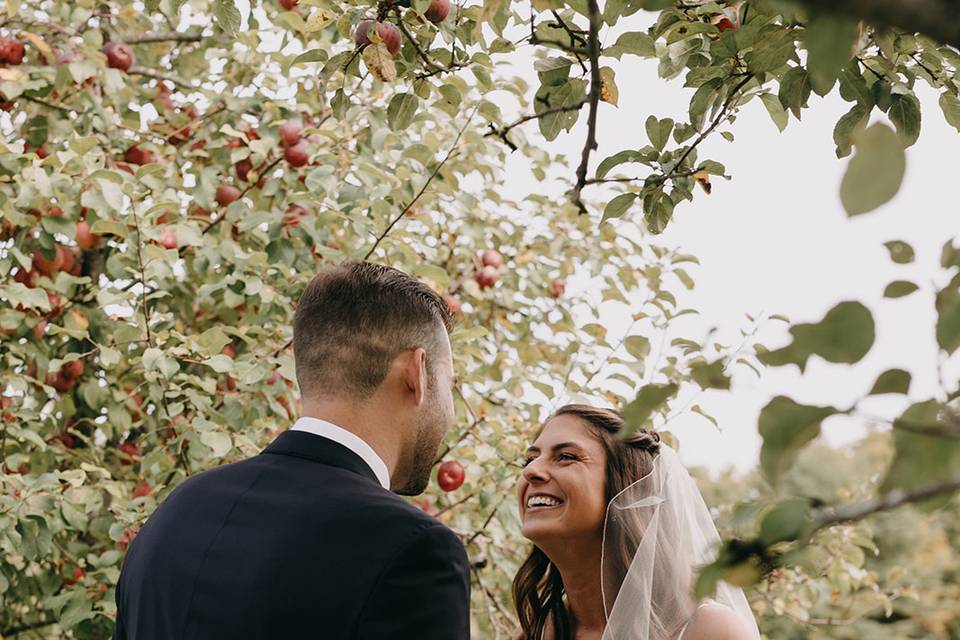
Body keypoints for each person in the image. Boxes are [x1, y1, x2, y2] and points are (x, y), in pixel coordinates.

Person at [113, 261, 470, 639]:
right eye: (450, 384)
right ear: (416, 372)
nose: (450, 409)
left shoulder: (173, 514)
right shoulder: (414, 551)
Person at [513, 404, 760, 640]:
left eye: (566, 456)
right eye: (529, 459)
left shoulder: (710, 631)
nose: (530, 471)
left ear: (626, 487)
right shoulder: (534, 634)